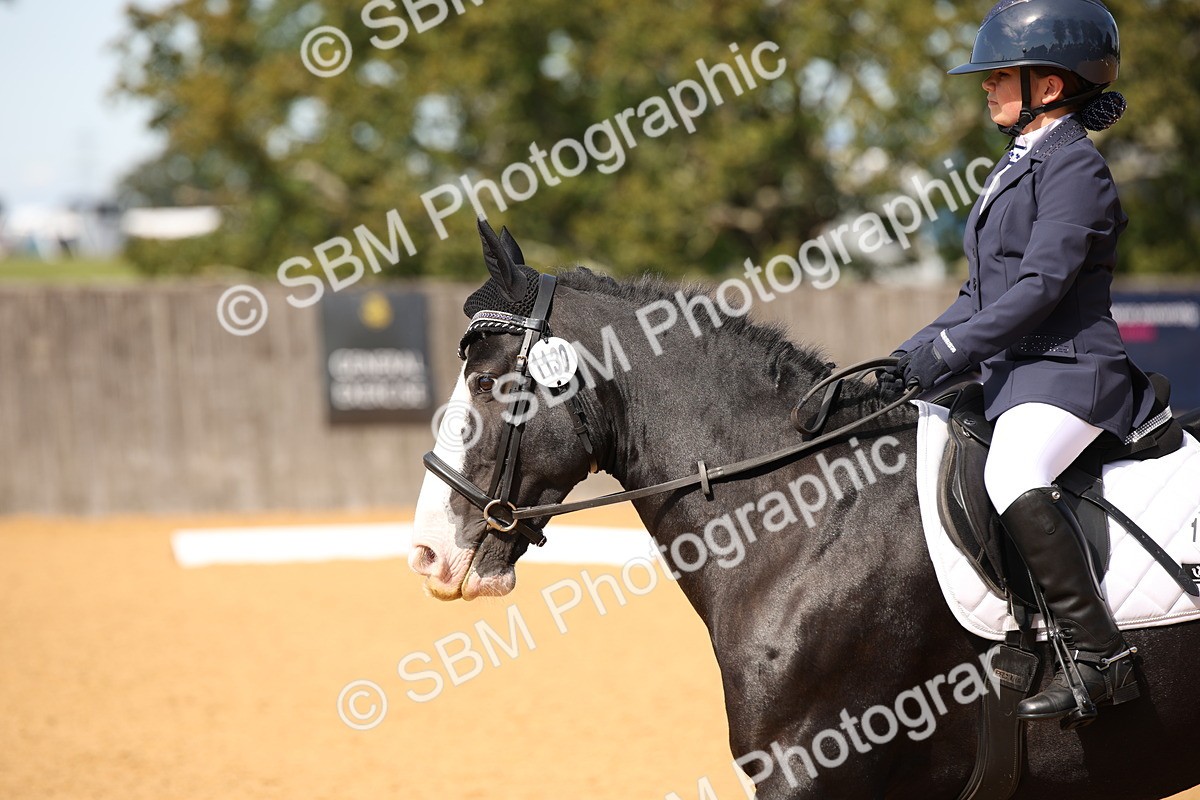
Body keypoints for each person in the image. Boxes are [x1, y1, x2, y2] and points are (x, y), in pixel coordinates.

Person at [881, 0, 1160, 722]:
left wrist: (950, 352)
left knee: (1012, 473)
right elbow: (977, 295)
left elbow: (1040, 287)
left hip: (1072, 374)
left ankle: (1100, 657)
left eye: (1000, 75)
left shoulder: (1076, 168)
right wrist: (906, 358)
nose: (986, 85)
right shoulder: (1018, 162)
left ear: (1051, 84)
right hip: (1016, 375)